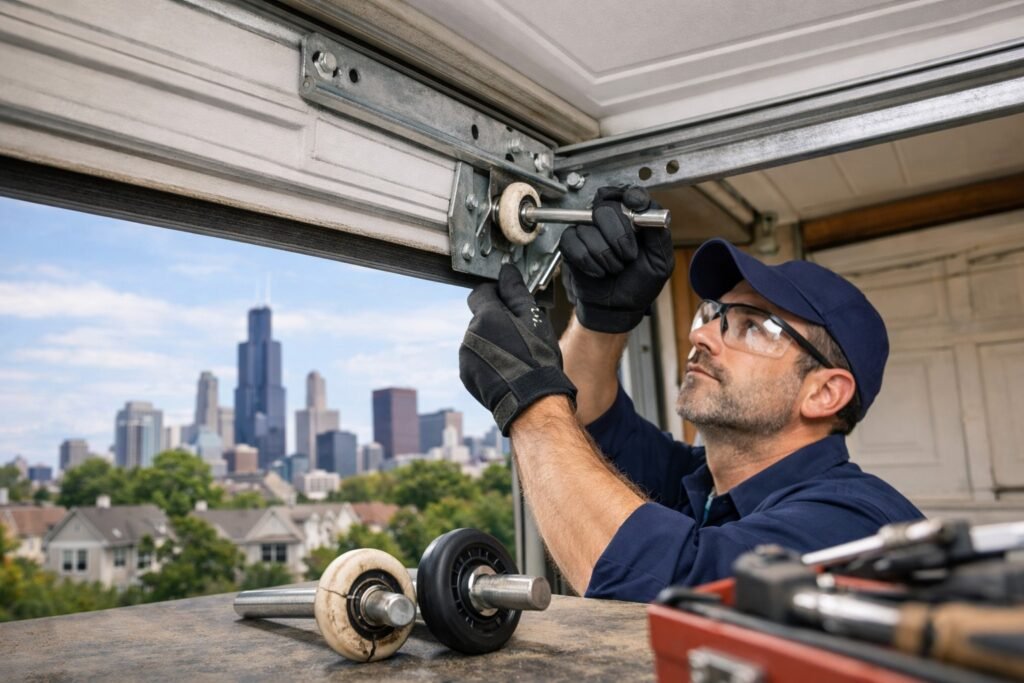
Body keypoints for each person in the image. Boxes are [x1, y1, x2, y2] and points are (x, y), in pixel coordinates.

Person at [458, 186, 923, 603]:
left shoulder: (855, 525)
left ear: (824, 394)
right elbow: (584, 425)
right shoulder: (700, 485)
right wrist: (602, 319)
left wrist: (531, 395)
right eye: (713, 314)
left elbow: (649, 581)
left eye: (754, 327)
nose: (702, 337)